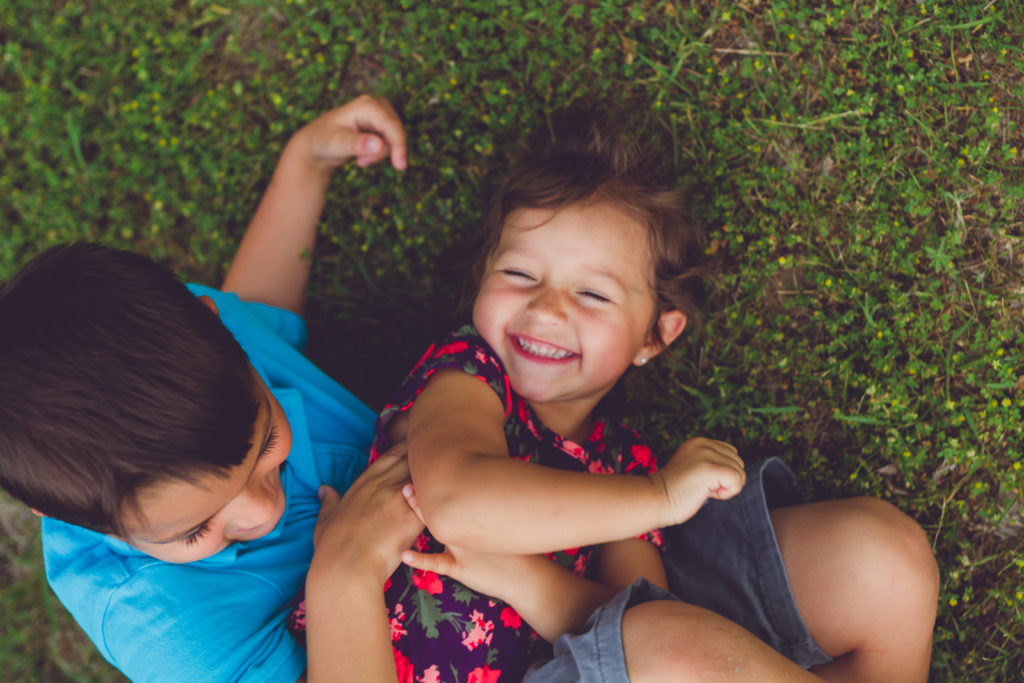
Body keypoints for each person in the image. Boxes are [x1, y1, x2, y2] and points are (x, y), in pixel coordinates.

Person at [289, 111, 941, 683]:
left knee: (887, 559)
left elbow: (634, 617)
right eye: (519, 274)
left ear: (656, 336)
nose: (545, 308)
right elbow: (457, 502)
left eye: (592, 293)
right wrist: (658, 497)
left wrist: (524, 579)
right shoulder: (465, 377)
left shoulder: (621, 463)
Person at [0, 95, 429, 682]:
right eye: (196, 530)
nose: (263, 509)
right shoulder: (167, 629)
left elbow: (260, 311)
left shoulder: (207, 349)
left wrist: (305, 166)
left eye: (267, 442)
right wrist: (341, 571)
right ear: (87, 524)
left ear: (215, 321)